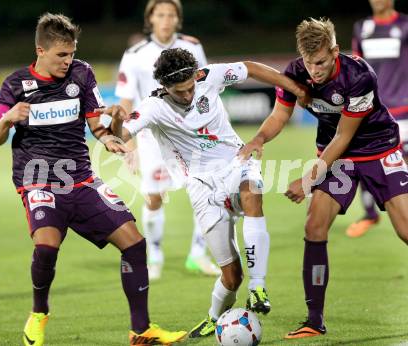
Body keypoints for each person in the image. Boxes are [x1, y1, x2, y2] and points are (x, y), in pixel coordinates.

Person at [0, 13, 186, 346]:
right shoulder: (15, 85)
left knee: (135, 244)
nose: (69, 61)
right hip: (38, 181)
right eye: (61, 55)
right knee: (47, 246)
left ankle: (141, 331)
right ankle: (39, 314)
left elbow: (100, 130)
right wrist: (8, 119)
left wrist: (114, 133)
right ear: (41, 50)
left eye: (72, 53)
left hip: (81, 179)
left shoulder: (83, 73)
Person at [100, 48, 308, 339]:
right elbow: (115, 138)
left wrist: (294, 88)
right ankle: (214, 317)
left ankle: (258, 286)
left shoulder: (209, 76)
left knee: (252, 193)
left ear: (196, 76)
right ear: (164, 87)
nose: (187, 96)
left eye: (190, 88)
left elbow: (250, 67)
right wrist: (118, 121)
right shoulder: (152, 107)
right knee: (231, 275)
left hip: (237, 162)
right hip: (200, 186)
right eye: (179, 92)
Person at [240, 17, 408, 339]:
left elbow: (345, 136)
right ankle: (314, 321)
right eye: (308, 62)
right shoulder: (295, 72)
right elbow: (279, 114)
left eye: (320, 63)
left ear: (335, 51)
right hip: (339, 158)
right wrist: (259, 139)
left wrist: (306, 181)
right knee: (314, 225)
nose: (313, 71)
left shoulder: (359, 76)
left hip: (378, 151)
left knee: (405, 230)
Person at [115, 0, 220, 281]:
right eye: (160, 14)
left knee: (205, 194)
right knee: (153, 198)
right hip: (152, 138)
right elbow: (126, 100)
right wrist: (129, 145)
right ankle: (155, 256)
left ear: (178, 19)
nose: (165, 19)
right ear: (150, 19)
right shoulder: (135, 54)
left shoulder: (193, 46)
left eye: (170, 14)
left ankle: (198, 255)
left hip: (189, 135)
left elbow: (204, 89)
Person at [347, 0, 408, 237]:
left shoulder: (405, 25)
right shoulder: (362, 27)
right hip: (373, 109)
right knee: (364, 159)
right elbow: (357, 66)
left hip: (403, 108)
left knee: (401, 163)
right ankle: (370, 214)